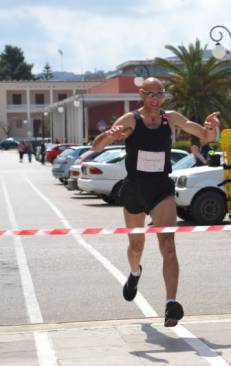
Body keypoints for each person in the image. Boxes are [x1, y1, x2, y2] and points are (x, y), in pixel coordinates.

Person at [89, 77, 219, 327]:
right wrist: (109, 134)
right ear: (141, 94)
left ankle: (171, 304)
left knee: (168, 244)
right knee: (136, 246)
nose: (156, 98)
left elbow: (204, 135)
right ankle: (135, 272)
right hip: (135, 188)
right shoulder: (129, 120)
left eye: (160, 93)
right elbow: (96, 146)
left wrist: (211, 128)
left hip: (161, 188)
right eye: (151, 94)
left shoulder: (171, 118)